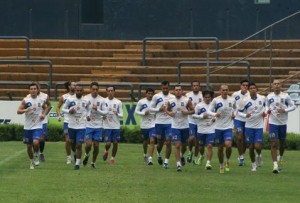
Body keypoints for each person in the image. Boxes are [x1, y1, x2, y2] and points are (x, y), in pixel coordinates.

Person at [266, 79, 296, 173]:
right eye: (275, 84)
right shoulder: (269, 96)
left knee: (282, 144)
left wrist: (285, 110)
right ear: (272, 86)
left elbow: (293, 106)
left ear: (281, 86)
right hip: (273, 123)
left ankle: (280, 157)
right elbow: (266, 106)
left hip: (282, 123)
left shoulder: (285, 96)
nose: (277, 85)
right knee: (273, 143)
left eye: (278, 84)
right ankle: (275, 165)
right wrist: (267, 110)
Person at [17, 82, 49, 169]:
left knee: (36, 142)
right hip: (27, 127)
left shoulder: (41, 100)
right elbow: (18, 111)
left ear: (37, 90)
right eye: (31, 89)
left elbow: (47, 107)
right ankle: (32, 161)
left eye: (35, 89)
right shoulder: (26, 100)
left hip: (37, 125)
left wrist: (44, 114)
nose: (33, 90)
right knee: (28, 146)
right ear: (29, 90)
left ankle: (36, 154)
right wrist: (25, 110)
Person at [238, 83, 266, 172]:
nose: (253, 89)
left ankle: (259, 155)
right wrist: (245, 115)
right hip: (249, 126)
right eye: (251, 88)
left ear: (256, 89)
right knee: (250, 146)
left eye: (254, 88)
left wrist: (264, 112)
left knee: (257, 146)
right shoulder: (245, 100)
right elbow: (239, 112)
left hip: (259, 126)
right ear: (248, 90)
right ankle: (253, 165)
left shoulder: (262, 98)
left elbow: (266, 107)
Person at [166, 84, 194, 171]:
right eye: (176, 90)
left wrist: (187, 112)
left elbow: (193, 110)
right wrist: (170, 113)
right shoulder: (170, 101)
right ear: (174, 91)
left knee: (185, 145)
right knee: (177, 145)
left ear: (182, 91)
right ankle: (178, 164)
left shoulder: (187, 100)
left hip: (185, 126)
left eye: (179, 90)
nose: (178, 91)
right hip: (175, 126)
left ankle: (182, 155)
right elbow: (167, 110)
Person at [209, 84, 236, 174]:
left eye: (226, 90)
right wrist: (215, 114)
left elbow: (236, 109)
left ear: (228, 91)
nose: (225, 92)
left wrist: (234, 114)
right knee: (220, 148)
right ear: (220, 91)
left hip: (228, 127)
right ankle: (221, 165)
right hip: (217, 128)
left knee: (228, 145)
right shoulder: (216, 100)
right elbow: (209, 110)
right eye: (223, 90)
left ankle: (227, 160)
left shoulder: (232, 100)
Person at [62, 85, 89, 170]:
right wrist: (69, 111)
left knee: (79, 144)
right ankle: (75, 153)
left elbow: (89, 110)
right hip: (71, 125)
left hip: (81, 126)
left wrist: (88, 116)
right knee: (72, 144)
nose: (79, 92)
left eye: (80, 91)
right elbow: (63, 108)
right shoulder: (70, 99)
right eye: (77, 90)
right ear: (75, 91)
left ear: (82, 91)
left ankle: (77, 164)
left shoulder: (86, 101)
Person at [150, 80, 175, 169]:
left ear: (169, 87)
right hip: (159, 122)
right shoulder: (156, 96)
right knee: (160, 142)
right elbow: (150, 108)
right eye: (163, 88)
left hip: (169, 123)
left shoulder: (173, 97)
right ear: (161, 87)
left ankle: (166, 162)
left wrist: (171, 111)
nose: (165, 90)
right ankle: (159, 153)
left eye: (167, 88)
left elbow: (175, 109)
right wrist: (158, 109)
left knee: (168, 141)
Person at [82, 82, 107, 169]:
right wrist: (86, 117)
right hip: (88, 125)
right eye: (93, 89)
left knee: (96, 145)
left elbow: (105, 112)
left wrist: (98, 109)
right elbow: (83, 110)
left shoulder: (102, 100)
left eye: (96, 89)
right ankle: (86, 154)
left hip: (98, 125)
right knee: (88, 144)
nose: (95, 91)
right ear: (90, 89)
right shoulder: (85, 98)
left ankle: (93, 162)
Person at [193, 90, 215, 170]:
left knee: (209, 145)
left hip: (211, 128)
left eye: (209, 97)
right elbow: (193, 115)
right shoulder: (199, 106)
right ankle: (202, 155)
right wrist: (202, 116)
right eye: (206, 97)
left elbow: (218, 114)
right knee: (201, 146)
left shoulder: (214, 105)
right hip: (201, 128)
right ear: (203, 97)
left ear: (211, 97)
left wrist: (214, 119)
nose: (207, 99)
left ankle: (208, 162)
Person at [56, 81, 77, 164]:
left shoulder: (79, 96)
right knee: (68, 140)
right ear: (69, 86)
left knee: (74, 141)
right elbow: (58, 107)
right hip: (67, 122)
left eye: (76, 85)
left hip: (77, 122)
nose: (75, 87)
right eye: (73, 85)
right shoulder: (64, 97)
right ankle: (68, 157)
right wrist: (59, 115)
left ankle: (75, 153)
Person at [134, 88, 156, 165]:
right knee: (145, 141)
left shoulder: (155, 102)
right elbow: (136, 112)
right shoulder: (141, 102)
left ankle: (150, 159)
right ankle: (145, 154)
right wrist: (144, 113)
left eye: (151, 94)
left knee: (152, 140)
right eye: (149, 93)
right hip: (144, 125)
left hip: (153, 124)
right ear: (146, 94)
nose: (150, 95)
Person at [102, 86, 123, 164]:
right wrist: (102, 116)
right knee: (108, 143)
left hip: (116, 126)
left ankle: (112, 158)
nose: (110, 92)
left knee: (115, 142)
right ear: (106, 92)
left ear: (114, 91)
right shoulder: (103, 101)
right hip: (107, 126)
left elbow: (121, 115)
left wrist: (117, 113)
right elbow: (100, 113)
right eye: (109, 91)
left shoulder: (118, 102)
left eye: (112, 91)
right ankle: (106, 151)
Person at [185, 80, 203, 165]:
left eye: (197, 85)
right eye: (194, 85)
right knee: (191, 138)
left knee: (198, 141)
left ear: (199, 86)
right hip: (191, 120)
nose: (195, 87)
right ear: (191, 87)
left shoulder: (203, 95)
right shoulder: (187, 96)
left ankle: (195, 158)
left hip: (200, 121)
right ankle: (190, 151)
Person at [232, 79, 249, 166]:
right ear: (240, 86)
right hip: (238, 119)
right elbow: (232, 106)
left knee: (246, 140)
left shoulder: (250, 95)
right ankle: (241, 156)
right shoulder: (235, 94)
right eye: (243, 85)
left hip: (248, 120)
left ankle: (242, 154)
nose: (245, 87)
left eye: (246, 85)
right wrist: (233, 114)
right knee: (239, 137)